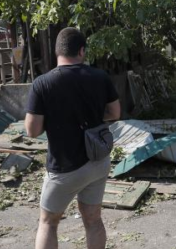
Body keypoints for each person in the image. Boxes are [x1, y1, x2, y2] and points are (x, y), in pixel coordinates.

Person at [25, 27, 121, 249]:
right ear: (81, 51)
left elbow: (32, 130)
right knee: (93, 219)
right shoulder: (100, 76)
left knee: (48, 222)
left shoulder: (43, 83)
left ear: (57, 51)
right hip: (98, 161)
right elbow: (115, 113)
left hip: (64, 168)